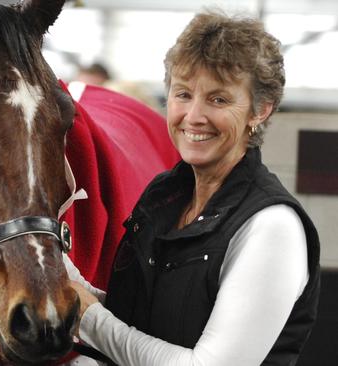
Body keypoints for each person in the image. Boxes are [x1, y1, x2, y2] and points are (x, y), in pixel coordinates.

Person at [68, 10, 320, 365]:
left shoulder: (272, 227)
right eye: (183, 94)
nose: (194, 116)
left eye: (218, 99)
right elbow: (139, 327)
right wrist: (58, 271)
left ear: (260, 110)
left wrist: (90, 318)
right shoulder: (164, 196)